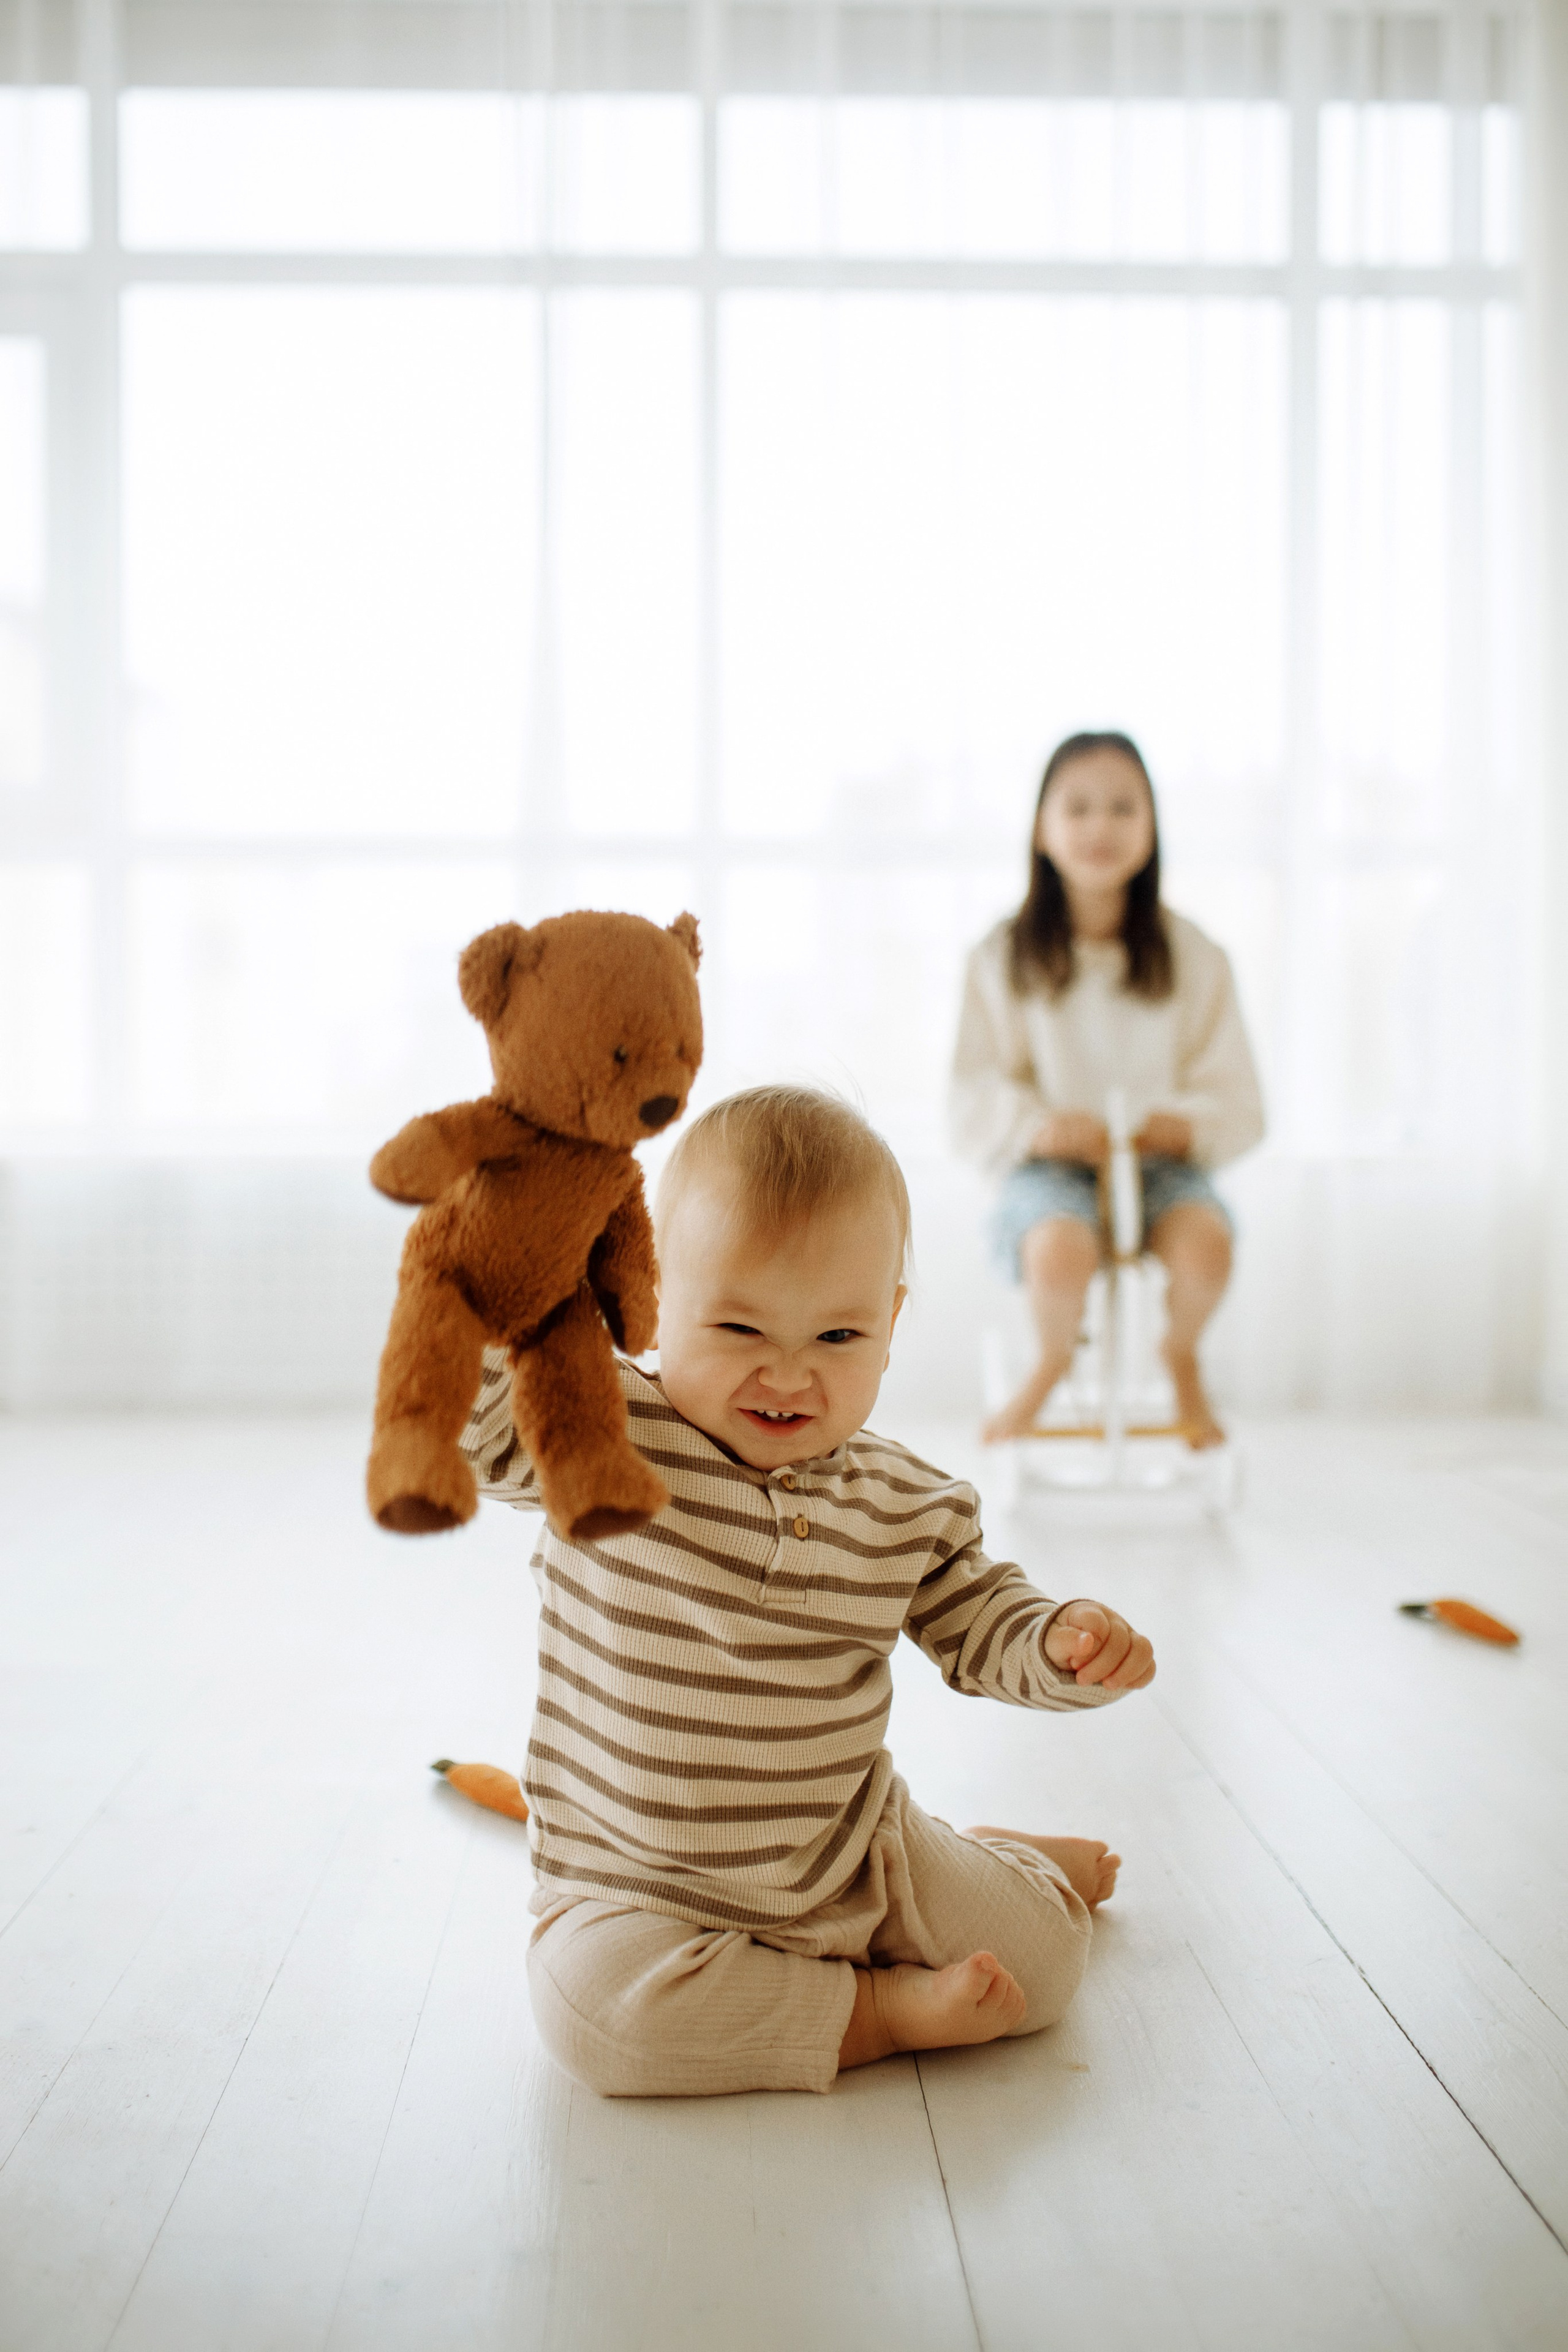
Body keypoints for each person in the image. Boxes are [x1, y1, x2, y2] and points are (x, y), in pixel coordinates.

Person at [458, 1084, 1155, 2098]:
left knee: (1044, 1967)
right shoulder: (603, 1431)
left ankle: (1001, 1865)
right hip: (634, 1891)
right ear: (656, 1299)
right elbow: (474, 1431)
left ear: (891, 1321)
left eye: (837, 1339)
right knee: (594, 2020)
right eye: (740, 1329)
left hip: (853, 1859)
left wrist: (1059, 1644)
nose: (788, 1376)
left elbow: (981, 1623)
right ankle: (872, 2015)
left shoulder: (906, 1500)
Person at [951, 731, 1264, 1449]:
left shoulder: (1195, 955)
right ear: (1041, 827)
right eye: (1079, 808)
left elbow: (1236, 1092)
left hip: (1162, 1166)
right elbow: (971, 1091)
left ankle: (1179, 1352)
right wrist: (1038, 1127)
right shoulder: (1000, 958)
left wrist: (1181, 1125)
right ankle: (1052, 1361)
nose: (1100, 827)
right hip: (1050, 1170)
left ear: (1151, 828)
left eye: (1123, 808)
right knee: (1058, 1252)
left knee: (1206, 1248)